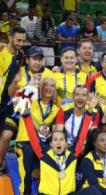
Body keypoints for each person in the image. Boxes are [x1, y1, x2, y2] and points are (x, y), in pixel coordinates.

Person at [15, 77, 59, 194]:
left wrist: (48, 133)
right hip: (26, 141)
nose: (49, 88)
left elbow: (56, 132)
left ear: (55, 90)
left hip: (43, 143)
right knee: (27, 165)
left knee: (51, 162)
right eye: (46, 85)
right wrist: (29, 86)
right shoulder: (32, 102)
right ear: (41, 87)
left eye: (52, 86)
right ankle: (26, 192)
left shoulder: (56, 109)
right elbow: (18, 104)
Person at [0, 27, 26, 174]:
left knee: (6, 135)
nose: (21, 43)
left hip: (8, 102)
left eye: (23, 40)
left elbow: (17, 78)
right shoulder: (1, 50)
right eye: (18, 40)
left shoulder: (20, 55)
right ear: (10, 37)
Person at [81, 129, 106, 194]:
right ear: (94, 143)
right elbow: (93, 184)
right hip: (93, 192)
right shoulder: (87, 160)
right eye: (102, 140)